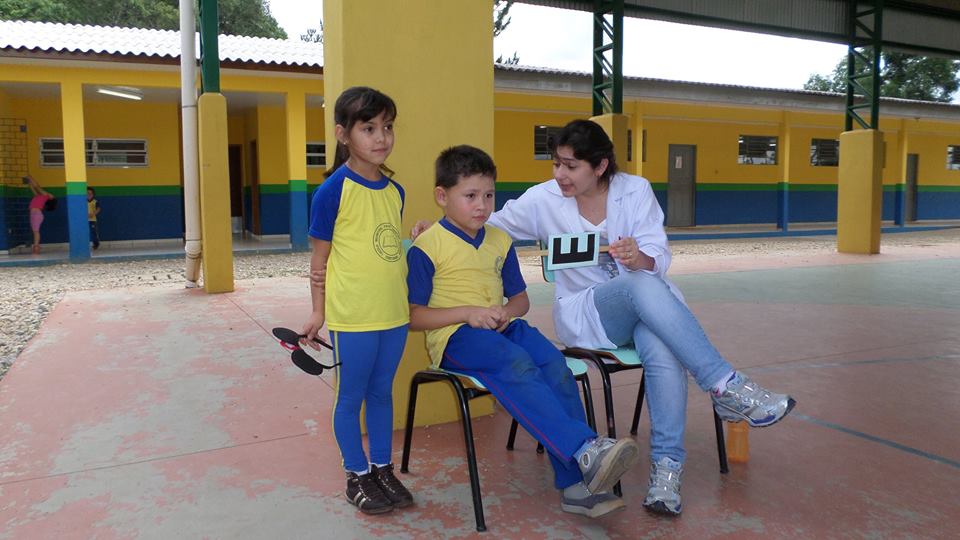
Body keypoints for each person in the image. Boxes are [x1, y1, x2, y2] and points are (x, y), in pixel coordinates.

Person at [471, 119, 797, 517]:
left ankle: (666, 472)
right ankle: (725, 386)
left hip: (644, 309)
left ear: (600, 166)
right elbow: (487, 222)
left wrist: (639, 257)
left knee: (659, 337)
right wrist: (434, 229)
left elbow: (657, 255)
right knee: (641, 289)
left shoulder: (635, 190)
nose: (560, 174)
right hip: (587, 313)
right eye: (556, 163)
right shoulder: (543, 198)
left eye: (571, 166)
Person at [406, 145, 641, 519]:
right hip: (455, 338)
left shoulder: (499, 240)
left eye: (488, 195)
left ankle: (577, 486)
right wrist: (468, 314)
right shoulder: (427, 246)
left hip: (502, 328)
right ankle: (585, 450)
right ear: (441, 196)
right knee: (516, 362)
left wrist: (505, 312)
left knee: (555, 364)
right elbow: (413, 316)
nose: (482, 206)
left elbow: (520, 300)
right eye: (470, 196)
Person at [299, 86, 413, 516]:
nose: (381, 137)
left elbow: (384, 248)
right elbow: (320, 261)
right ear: (343, 134)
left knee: (382, 393)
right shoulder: (332, 191)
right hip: (355, 317)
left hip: (394, 314)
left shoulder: (395, 191)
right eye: (369, 128)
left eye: (388, 127)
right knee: (351, 398)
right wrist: (318, 311)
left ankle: (382, 468)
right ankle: (356, 475)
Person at [25, 175, 54, 254]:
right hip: (33, 214)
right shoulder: (38, 196)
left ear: (50, 199)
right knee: (35, 231)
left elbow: (37, 187)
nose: (51, 194)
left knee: (36, 231)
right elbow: (33, 188)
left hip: (37, 214)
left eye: (52, 195)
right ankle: (36, 247)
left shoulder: (45, 196)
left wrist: (30, 178)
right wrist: (29, 182)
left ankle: (36, 248)